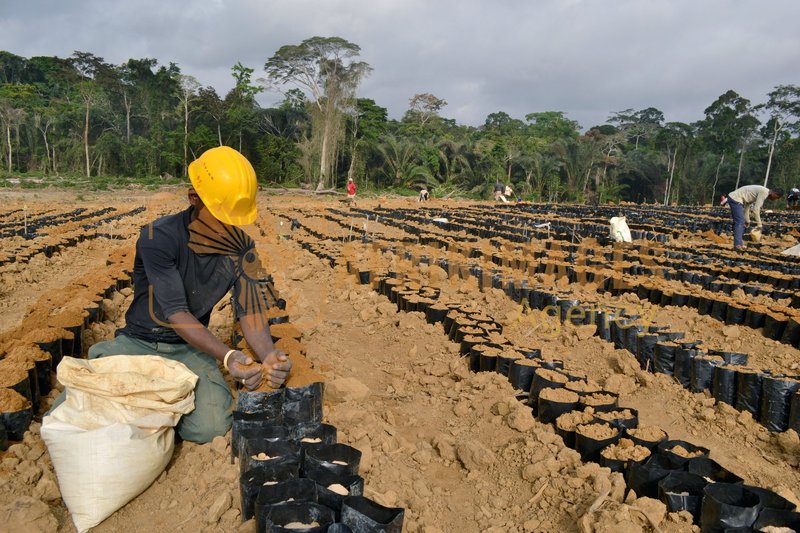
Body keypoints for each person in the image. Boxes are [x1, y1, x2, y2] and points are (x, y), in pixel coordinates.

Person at [51, 146, 292, 443]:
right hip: (138, 341)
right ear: (194, 199)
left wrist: (268, 356)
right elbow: (176, 312)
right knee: (66, 414)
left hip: (189, 350)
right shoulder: (159, 237)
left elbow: (250, 312)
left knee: (211, 427)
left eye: (234, 219)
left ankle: (153, 409)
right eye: (220, 216)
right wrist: (228, 356)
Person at [726, 184, 783, 250]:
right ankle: (737, 245)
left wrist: (747, 220)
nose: (775, 199)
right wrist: (759, 224)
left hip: (735, 198)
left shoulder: (762, 191)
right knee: (739, 222)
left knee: (741, 222)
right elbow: (756, 210)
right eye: (777, 198)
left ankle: (739, 243)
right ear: (775, 194)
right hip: (735, 199)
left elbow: (747, 204)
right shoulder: (764, 192)